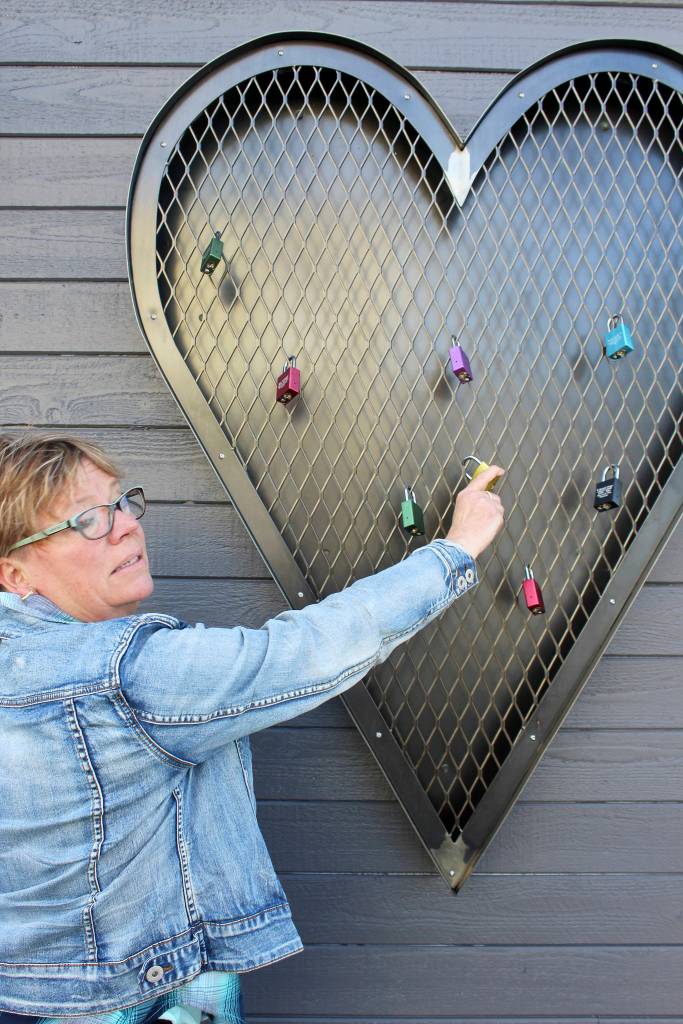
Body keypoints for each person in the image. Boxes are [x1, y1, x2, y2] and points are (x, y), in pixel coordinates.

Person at [0, 432, 505, 1023]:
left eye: (120, 502)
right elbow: (302, 653)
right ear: (15, 574)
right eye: (88, 521)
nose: (125, 526)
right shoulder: (125, 673)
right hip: (141, 998)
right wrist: (456, 548)